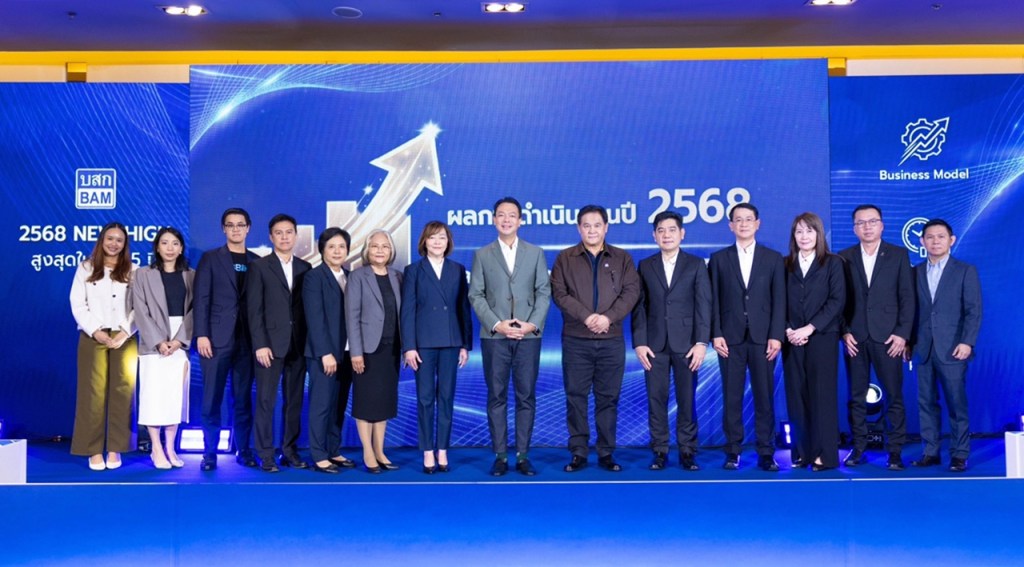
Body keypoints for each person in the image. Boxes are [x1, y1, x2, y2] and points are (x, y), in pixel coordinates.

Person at [551, 204, 640, 473]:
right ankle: (578, 452)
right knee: (576, 397)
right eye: (586, 225)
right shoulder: (565, 258)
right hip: (576, 339)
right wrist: (587, 317)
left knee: (608, 398)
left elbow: (631, 293)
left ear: (606, 227)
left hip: (611, 340)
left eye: (597, 225)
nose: (592, 230)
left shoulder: (622, 258)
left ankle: (606, 452)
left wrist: (607, 318)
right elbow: (559, 293)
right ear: (579, 228)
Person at [469, 197, 551, 477]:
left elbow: (544, 292)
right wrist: (496, 324)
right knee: (497, 396)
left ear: (520, 221)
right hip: (495, 337)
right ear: (494, 220)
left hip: (528, 337)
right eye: (501, 215)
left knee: (526, 396)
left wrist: (532, 325)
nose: (506, 220)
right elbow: (476, 295)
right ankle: (501, 455)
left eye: (512, 215)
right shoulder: (482, 254)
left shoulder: (536, 253)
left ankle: (523, 455)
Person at [709, 203, 786, 472]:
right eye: (738, 220)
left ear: (757, 223)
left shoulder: (773, 258)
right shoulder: (719, 259)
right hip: (730, 339)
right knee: (732, 397)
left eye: (748, 219)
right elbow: (713, 301)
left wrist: (776, 335)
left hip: (763, 338)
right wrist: (716, 333)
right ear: (730, 225)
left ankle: (766, 451)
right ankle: (733, 451)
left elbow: (780, 300)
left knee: (764, 397)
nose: (743, 224)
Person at [632, 210, 710, 472]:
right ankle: (660, 450)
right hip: (654, 345)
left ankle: (687, 450)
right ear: (654, 236)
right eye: (661, 230)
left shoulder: (696, 264)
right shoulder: (645, 265)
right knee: (656, 400)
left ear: (682, 233)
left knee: (687, 400)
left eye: (672, 230)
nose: (666, 235)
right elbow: (640, 307)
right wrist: (639, 342)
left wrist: (701, 343)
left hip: (687, 345)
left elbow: (704, 306)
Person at [838, 204, 914, 470]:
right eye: (861, 222)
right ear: (854, 228)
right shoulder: (843, 257)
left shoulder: (898, 255)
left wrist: (902, 334)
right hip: (855, 338)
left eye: (872, 221)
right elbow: (838, 300)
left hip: (889, 338)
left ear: (882, 225)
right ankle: (858, 447)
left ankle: (895, 451)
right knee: (856, 397)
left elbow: (907, 298)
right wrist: (844, 331)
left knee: (894, 396)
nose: (867, 227)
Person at [910, 219, 982, 473]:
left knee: (956, 404)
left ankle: (960, 454)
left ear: (951, 240)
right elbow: (910, 312)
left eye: (941, 236)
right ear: (922, 242)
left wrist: (967, 341)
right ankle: (930, 452)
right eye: (930, 237)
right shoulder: (915, 272)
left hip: (953, 348)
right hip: (923, 348)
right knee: (926, 403)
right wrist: (908, 342)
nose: (935, 241)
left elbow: (973, 311)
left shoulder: (965, 270)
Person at [402, 221, 473, 474]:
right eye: (432, 237)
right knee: (424, 398)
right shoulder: (413, 270)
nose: (437, 242)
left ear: (448, 241)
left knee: (446, 397)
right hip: (423, 344)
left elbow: (463, 309)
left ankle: (442, 448)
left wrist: (465, 344)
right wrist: (409, 346)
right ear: (424, 241)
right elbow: (407, 310)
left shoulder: (457, 269)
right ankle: (427, 450)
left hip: (451, 341)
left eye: (442, 237)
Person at [193, 208, 259, 471]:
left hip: (247, 342)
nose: (235, 229)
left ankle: (244, 450)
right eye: (230, 225)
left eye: (240, 225)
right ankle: (209, 453)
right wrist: (202, 334)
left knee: (243, 399)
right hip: (215, 340)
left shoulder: (256, 261)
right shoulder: (210, 258)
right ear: (223, 229)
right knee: (212, 400)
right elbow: (201, 299)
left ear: (248, 228)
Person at [69, 221, 137, 471]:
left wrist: (125, 331)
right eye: (110, 238)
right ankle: (93, 450)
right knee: (92, 393)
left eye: (119, 240)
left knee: (123, 391)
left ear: (124, 244)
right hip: (92, 336)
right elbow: (78, 304)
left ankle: (115, 448)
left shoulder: (134, 270)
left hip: (124, 338)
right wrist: (96, 330)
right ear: (102, 240)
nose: (114, 244)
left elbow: (139, 307)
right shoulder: (86, 268)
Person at [247, 214, 311, 472]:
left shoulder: (306, 267)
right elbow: (254, 310)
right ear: (271, 237)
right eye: (279, 233)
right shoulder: (259, 267)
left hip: (298, 345)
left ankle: (289, 451)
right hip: (269, 346)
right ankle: (265, 454)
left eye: (289, 232)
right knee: (266, 401)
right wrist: (260, 344)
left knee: (294, 401)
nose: (284, 237)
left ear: (296, 235)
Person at [781, 213, 845, 472]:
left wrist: (809, 328)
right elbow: (777, 300)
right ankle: (801, 452)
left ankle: (825, 455)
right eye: (799, 231)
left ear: (819, 234)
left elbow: (837, 301)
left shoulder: (833, 263)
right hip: (791, 339)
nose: (804, 236)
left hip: (822, 337)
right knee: (796, 396)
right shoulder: (785, 264)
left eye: (809, 231)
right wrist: (788, 329)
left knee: (822, 396)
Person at [132, 227, 194, 470]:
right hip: (153, 341)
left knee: (174, 397)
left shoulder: (191, 275)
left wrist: (178, 341)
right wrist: (159, 341)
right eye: (165, 243)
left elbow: (195, 311)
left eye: (175, 243)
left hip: (181, 338)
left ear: (181, 248)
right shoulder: (142, 274)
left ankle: (170, 447)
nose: (170, 248)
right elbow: (140, 310)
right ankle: (156, 448)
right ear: (157, 247)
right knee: (153, 396)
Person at [345, 229, 403, 473]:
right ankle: (367, 452)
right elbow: (352, 316)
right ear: (367, 250)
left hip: (391, 349)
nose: (380, 250)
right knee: (366, 402)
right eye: (375, 246)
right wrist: (356, 352)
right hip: (367, 351)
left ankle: (380, 450)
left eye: (385, 246)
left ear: (391, 251)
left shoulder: (398, 276)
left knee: (383, 402)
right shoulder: (358, 276)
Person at [303, 227, 357, 473]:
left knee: (338, 405)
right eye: (331, 247)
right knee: (321, 405)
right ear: (322, 250)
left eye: (341, 247)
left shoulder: (350, 276)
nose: (337, 251)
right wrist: (325, 353)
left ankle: (334, 450)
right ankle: (318, 454)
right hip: (324, 354)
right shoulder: (314, 277)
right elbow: (315, 318)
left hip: (347, 352)